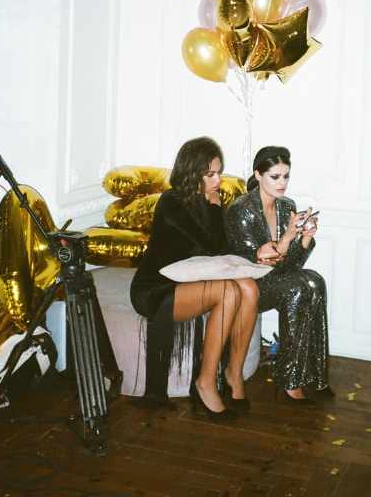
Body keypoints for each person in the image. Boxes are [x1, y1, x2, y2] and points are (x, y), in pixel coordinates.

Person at [130, 137, 260, 420]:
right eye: (210, 173)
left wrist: (213, 205)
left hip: (187, 280)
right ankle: (205, 382)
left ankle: (233, 375)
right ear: (192, 172)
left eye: (219, 172)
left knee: (248, 287)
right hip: (156, 287)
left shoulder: (207, 198)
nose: (218, 180)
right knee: (227, 292)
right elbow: (212, 245)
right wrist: (214, 207)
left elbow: (223, 250)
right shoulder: (172, 201)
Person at [225, 145, 334, 406]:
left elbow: (291, 266)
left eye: (286, 176)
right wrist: (287, 237)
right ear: (258, 175)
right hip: (248, 284)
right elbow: (257, 266)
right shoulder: (242, 210)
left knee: (314, 281)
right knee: (297, 288)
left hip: (275, 279)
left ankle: (317, 374)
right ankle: (290, 379)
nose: (282, 183)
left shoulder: (287, 206)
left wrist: (305, 238)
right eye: (275, 177)